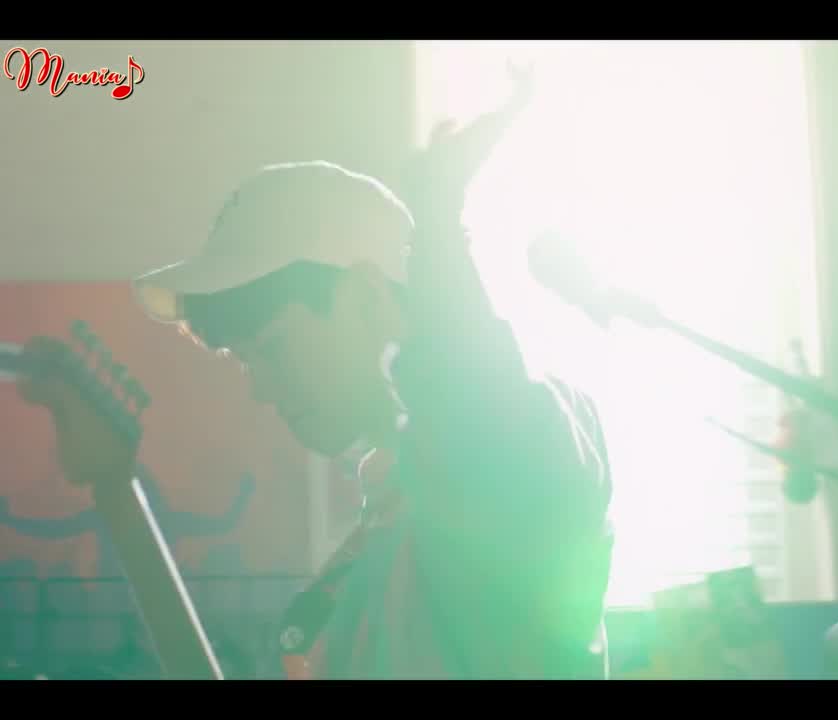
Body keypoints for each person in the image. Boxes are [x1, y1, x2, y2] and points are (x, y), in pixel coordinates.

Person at [24, 65, 615, 679]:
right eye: (245, 359)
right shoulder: (389, 521)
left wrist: (438, 225)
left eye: (272, 348)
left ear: (367, 299)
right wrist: (115, 487)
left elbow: (487, 413)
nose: (259, 388)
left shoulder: (527, 453)